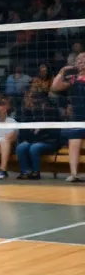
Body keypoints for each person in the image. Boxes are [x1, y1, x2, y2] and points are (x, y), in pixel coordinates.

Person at [51, 54, 85, 182]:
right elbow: (54, 88)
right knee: (74, 142)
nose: (80, 62)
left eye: (83, 60)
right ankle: (74, 174)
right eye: (78, 60)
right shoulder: (73, 79)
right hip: (78, 117)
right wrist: (61, 72)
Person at [0, 100, 18, 178]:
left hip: (7, 146)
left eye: (3, 108)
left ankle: (3, 170)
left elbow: (12, 138)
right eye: (0, 108)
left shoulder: (13, 122)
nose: (2, 110)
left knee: (5, 142)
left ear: (6, 110)